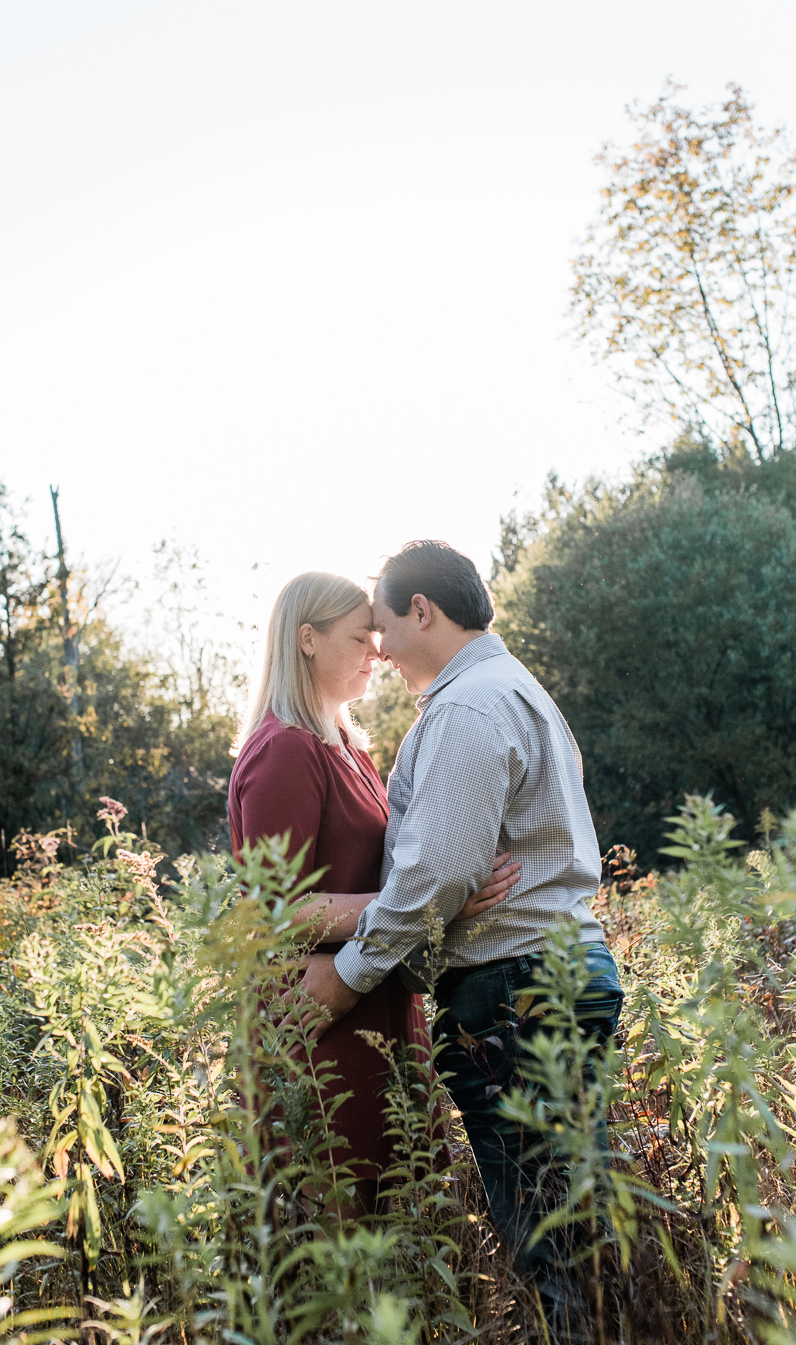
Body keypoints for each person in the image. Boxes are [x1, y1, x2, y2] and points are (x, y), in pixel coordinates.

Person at [295, 541, 623, 1284]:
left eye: (381, 623)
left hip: (516, 991)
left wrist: (349, 975)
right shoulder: (516, 690)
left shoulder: (468, 707)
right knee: (573, 1221)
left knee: (552, 1239)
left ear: (422, 610)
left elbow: (439, 872)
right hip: (553, 976)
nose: (375, 644)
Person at [228, 570, 518, 1205]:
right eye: (361, 638)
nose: (377, 653)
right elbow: (275, 915)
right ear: (307, 639)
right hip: (320, 1031)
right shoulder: (285, 751)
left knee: (407, 1244)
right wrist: (440, 905)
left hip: (375, 1008)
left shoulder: (347, 749)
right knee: (340, 1249)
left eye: (377, 637)